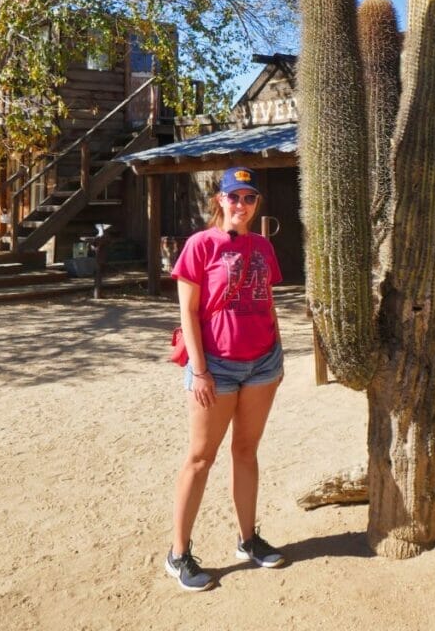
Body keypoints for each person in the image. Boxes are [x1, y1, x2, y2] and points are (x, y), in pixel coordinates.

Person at [165, 166, 286, 591]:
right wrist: (198, 370)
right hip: (216, 366)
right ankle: (178, 553)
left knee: (247, 451)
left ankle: (247, 539)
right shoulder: (200, 246)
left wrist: (278, 354)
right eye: (234, 197)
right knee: (201, 458)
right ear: (220, 200)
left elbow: (267, 300)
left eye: (249, 198)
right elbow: (188, 312)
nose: (241, 205)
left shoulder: (262, 247)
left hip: (261, 363)